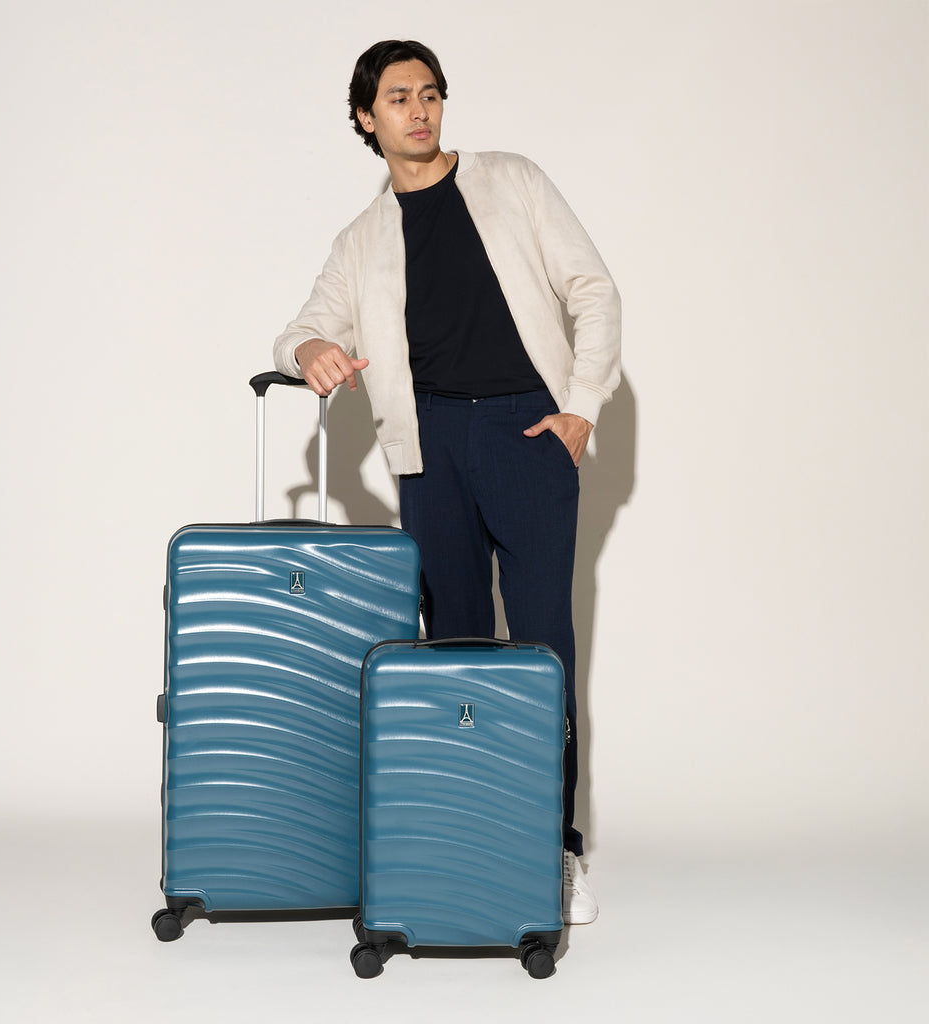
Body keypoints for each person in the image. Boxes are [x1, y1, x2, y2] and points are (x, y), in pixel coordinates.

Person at [273, 39, 621, 925]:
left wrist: (580, 408)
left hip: (526, 429)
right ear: (367, 118)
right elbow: (305, 327)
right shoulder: (363, 239)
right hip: (428, 449)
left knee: (542, 644)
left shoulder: (512, 180)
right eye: (398, 99)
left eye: (430, 94)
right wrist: (310, 349)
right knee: (453, 644)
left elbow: (593, 289)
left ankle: (555, 852)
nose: (419, 111)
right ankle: (471, 837)